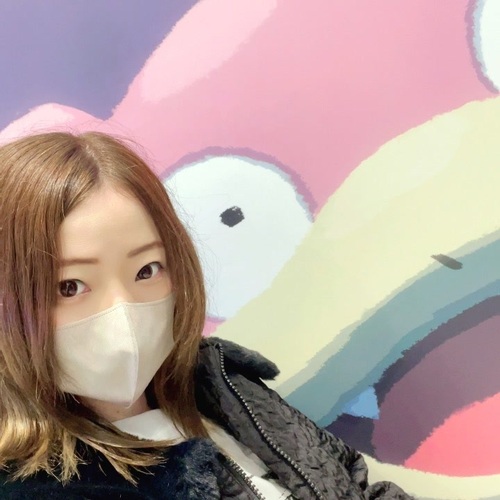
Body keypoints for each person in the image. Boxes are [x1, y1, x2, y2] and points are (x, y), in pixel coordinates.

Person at [0, 131, 411, 499]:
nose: (122, 312)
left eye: (147, 270)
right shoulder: (34, 486)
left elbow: (352, 481)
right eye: (69, 287)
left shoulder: (221, 379)